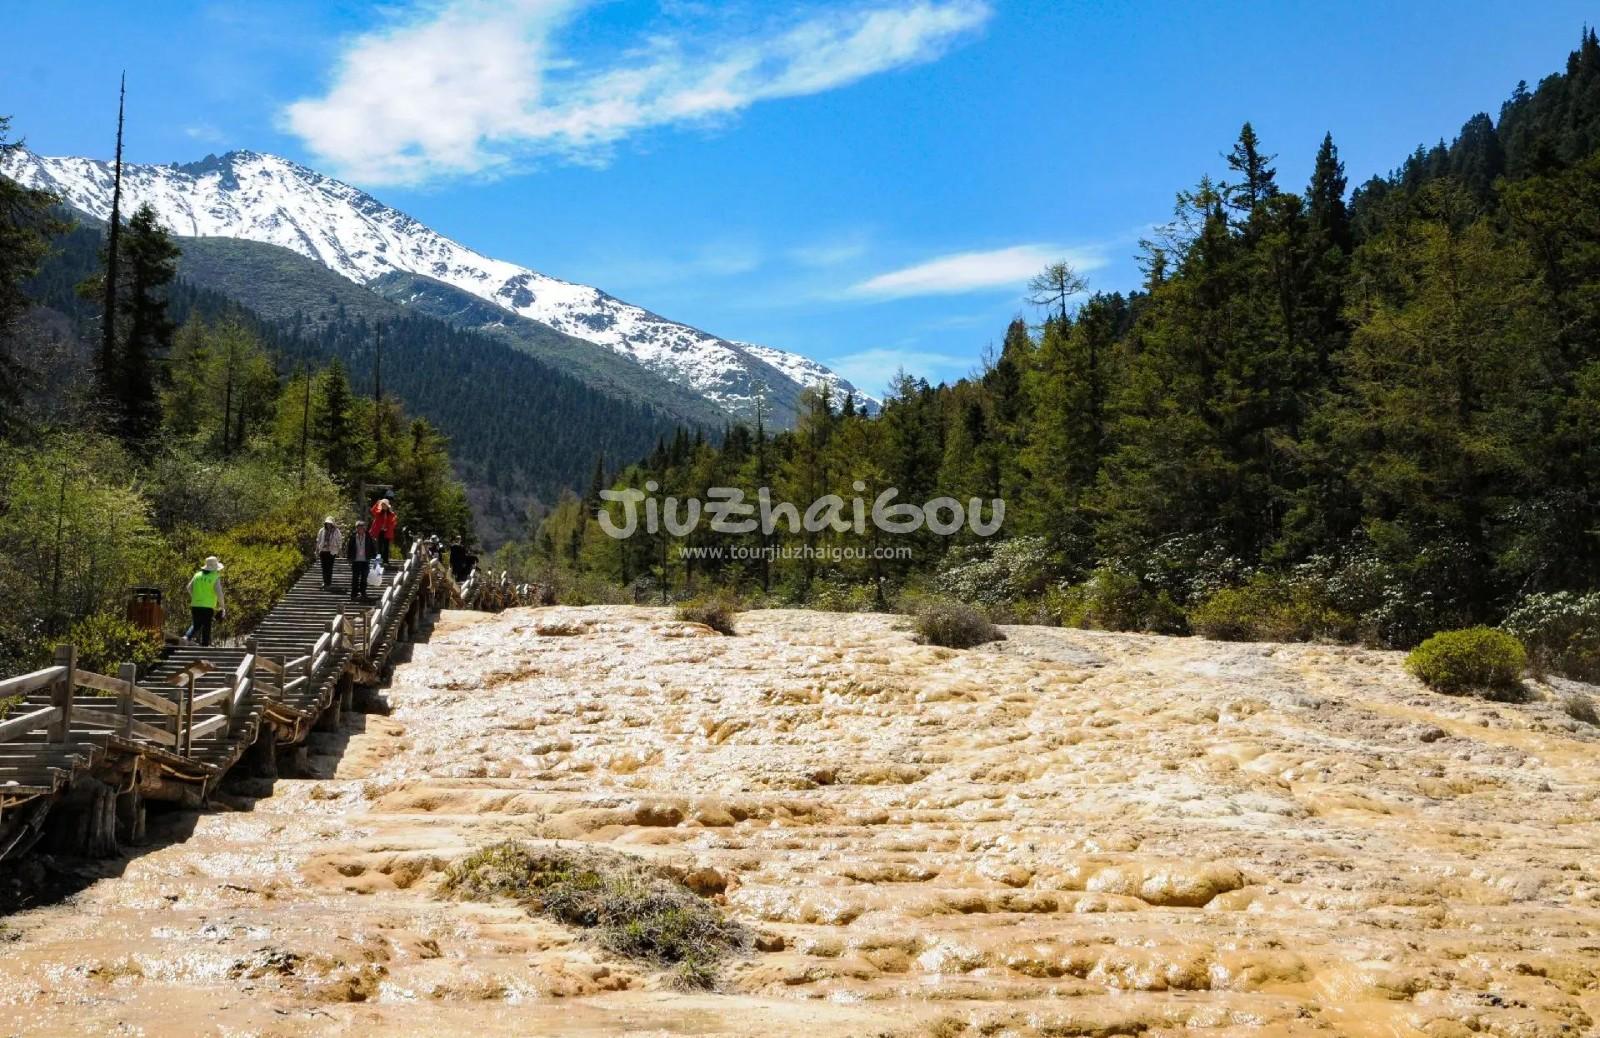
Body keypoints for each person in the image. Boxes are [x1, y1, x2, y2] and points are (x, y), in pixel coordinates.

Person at [186, 556, 226, 648]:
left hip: (195, 604)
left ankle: (186, 637)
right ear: (215, 568)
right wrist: (222, 606)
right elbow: (219, 593)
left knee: (196, 625)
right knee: (206, 625)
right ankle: (205, 645)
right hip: (208, 606)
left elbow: (188, 587)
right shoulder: (215, 577)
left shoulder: (197, 575)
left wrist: (195, 597)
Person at [345, 517, 376, 601]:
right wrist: (349, 558)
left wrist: (375, 556)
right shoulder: (353, 537)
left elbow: (373, 547)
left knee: (364, 578)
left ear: (364, 528)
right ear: (356, 529)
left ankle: (363, 593)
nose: (360, 529)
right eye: (358, 528)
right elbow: (349, 548)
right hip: (356, 560)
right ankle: (353, 595)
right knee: (355, 578)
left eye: (362, 527)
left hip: (365, 560)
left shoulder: (368, 537)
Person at [315, 515, 341, 590]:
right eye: (327, 523)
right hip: (323, 551)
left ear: (332, 524)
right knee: (324, 567)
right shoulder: (321, 530)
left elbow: (339, 541)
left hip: (331, 551)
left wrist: (339, 550)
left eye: (330, 523)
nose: (328, 525)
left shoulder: (336, 531)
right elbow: (318, 540)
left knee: (329, 567)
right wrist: (316, 550)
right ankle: (325, 582)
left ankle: (328, 583)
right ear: (325, 524)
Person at [370, 497, 397, 562]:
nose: (383, 506)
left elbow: (394, 521)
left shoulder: (391, 514)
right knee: (380, 545)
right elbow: (372, 511)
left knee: (386, 546)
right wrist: (377, 504)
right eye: (382, 505)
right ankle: (380, 559)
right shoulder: (378, 513)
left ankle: (385, 560)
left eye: (385, 505)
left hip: (387, 532)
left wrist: (390, 527)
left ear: (387, 506)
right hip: (380, 531)